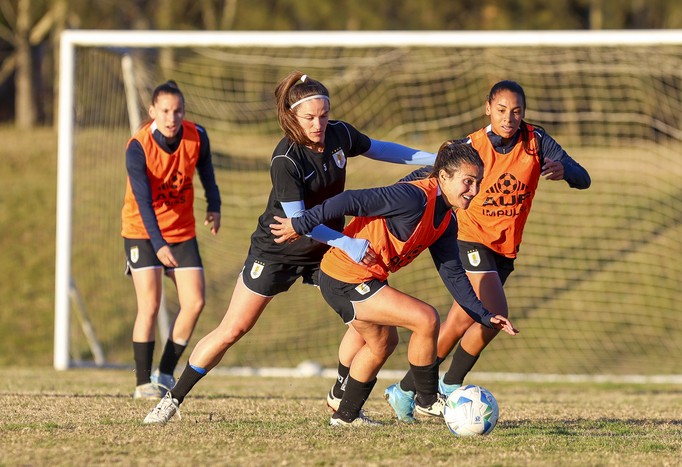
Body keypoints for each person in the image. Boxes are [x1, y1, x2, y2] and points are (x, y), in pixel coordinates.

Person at [142, 70, 436, 424]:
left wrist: (432, 158)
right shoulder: (286, 159)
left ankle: (341, 397)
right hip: (278, 250)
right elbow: (299, 223)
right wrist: (346, 242)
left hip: (325, 253)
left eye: (323, 115)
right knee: (233, 329)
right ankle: (172, 400)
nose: (319, 124)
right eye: (310, 117)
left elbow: (379, 149)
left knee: (368, 322)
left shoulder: (339, 134)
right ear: (293, 117)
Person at [270, 140, 519, 427]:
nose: (474, 191)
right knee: (425, 318)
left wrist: (484, 315)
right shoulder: (412, 198)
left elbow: (453, 275)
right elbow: (348, 199)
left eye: (478, 183)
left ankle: (346, 415)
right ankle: (426, 399)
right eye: (467, 181)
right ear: (443, 177)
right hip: (343, 276)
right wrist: (302, 223)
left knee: (382, 343)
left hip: (361, 278)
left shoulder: (447, 219)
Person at [384, 79, 591, 422]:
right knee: (494, 312)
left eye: (516, 111)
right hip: (468, 237)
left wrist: (565, 170)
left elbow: (584, 178)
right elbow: (434, 173)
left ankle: (405, 390)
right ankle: (450, 386)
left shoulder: (537, 141)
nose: (509, 118)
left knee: (460, 320)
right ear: (487, 109)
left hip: (504, 249)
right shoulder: (473, 145)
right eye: (501, 110)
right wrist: (390, 197)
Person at [122, 80, 222, 399]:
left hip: (181, 232)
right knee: (149, 305)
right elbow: (142, 201)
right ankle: (142, 384)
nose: (171, 117)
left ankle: (164, 373)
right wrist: (159, 244)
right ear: (153, 112)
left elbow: (206, 170)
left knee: (194, 303)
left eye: (177, 110)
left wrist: (214, 205)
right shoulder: (138, 146)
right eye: (165, 110)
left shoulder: (197, 136)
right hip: (142, 232)